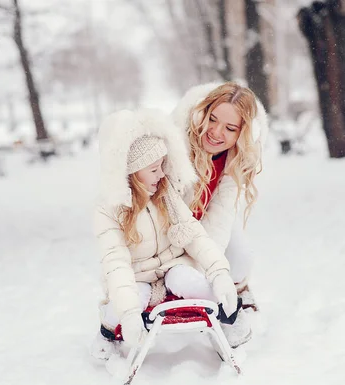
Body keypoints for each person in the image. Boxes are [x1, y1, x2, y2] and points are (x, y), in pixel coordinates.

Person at [91, 108, 242, 361]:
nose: (161, 174)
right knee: (127, 305)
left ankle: (229, 314)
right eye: (153, 169)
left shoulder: (165, 193)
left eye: (162, 165)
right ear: (131, 172)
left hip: (172, 266)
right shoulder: (109, 209)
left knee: (192, 282)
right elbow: (115, 263)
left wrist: (220, 274)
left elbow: (194, 235)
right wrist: (129, 314)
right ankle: (108, 332)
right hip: (136, 275)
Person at [171, 82, 268, 316]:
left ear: (242, 134)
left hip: (204, 227)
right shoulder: (174, 147)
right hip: (170, 232)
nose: (215, 132)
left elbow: (220, 219)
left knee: (241, 258)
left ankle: (237, 294)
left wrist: (209, 268)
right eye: (212, 119)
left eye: (230, 128)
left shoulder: (233, 161)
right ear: (201, 113)